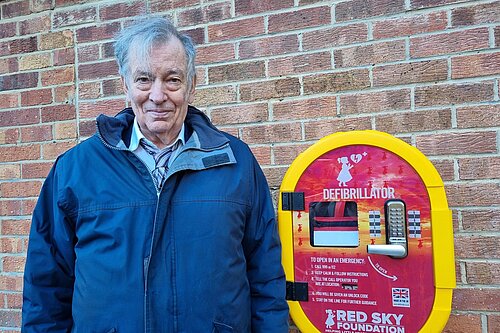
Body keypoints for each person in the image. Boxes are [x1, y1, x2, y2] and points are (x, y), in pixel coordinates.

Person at [22, 17, 289, 332]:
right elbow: (46, 290)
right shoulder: (74, 170)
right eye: (144, 79)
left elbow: (266, 278)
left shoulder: (235, 163)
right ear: (125, 84)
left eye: (172, 79)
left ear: (191, 84)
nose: (158, 95)